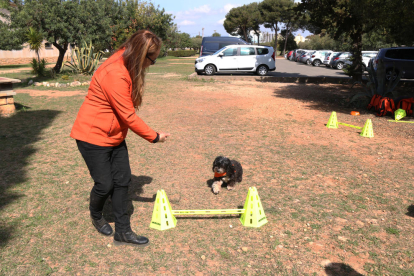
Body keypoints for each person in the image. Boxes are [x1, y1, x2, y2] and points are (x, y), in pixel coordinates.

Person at [70, 30, 170, 247]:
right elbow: (128, 115)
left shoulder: (127, 62)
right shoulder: (115, 72)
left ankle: (123, 232)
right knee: (105, 185)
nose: (151, 65)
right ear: (141, 54)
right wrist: (154, 137)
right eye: (151, 60)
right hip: (92, 137)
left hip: (114, 136)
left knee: (123, 182)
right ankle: (96, 215)